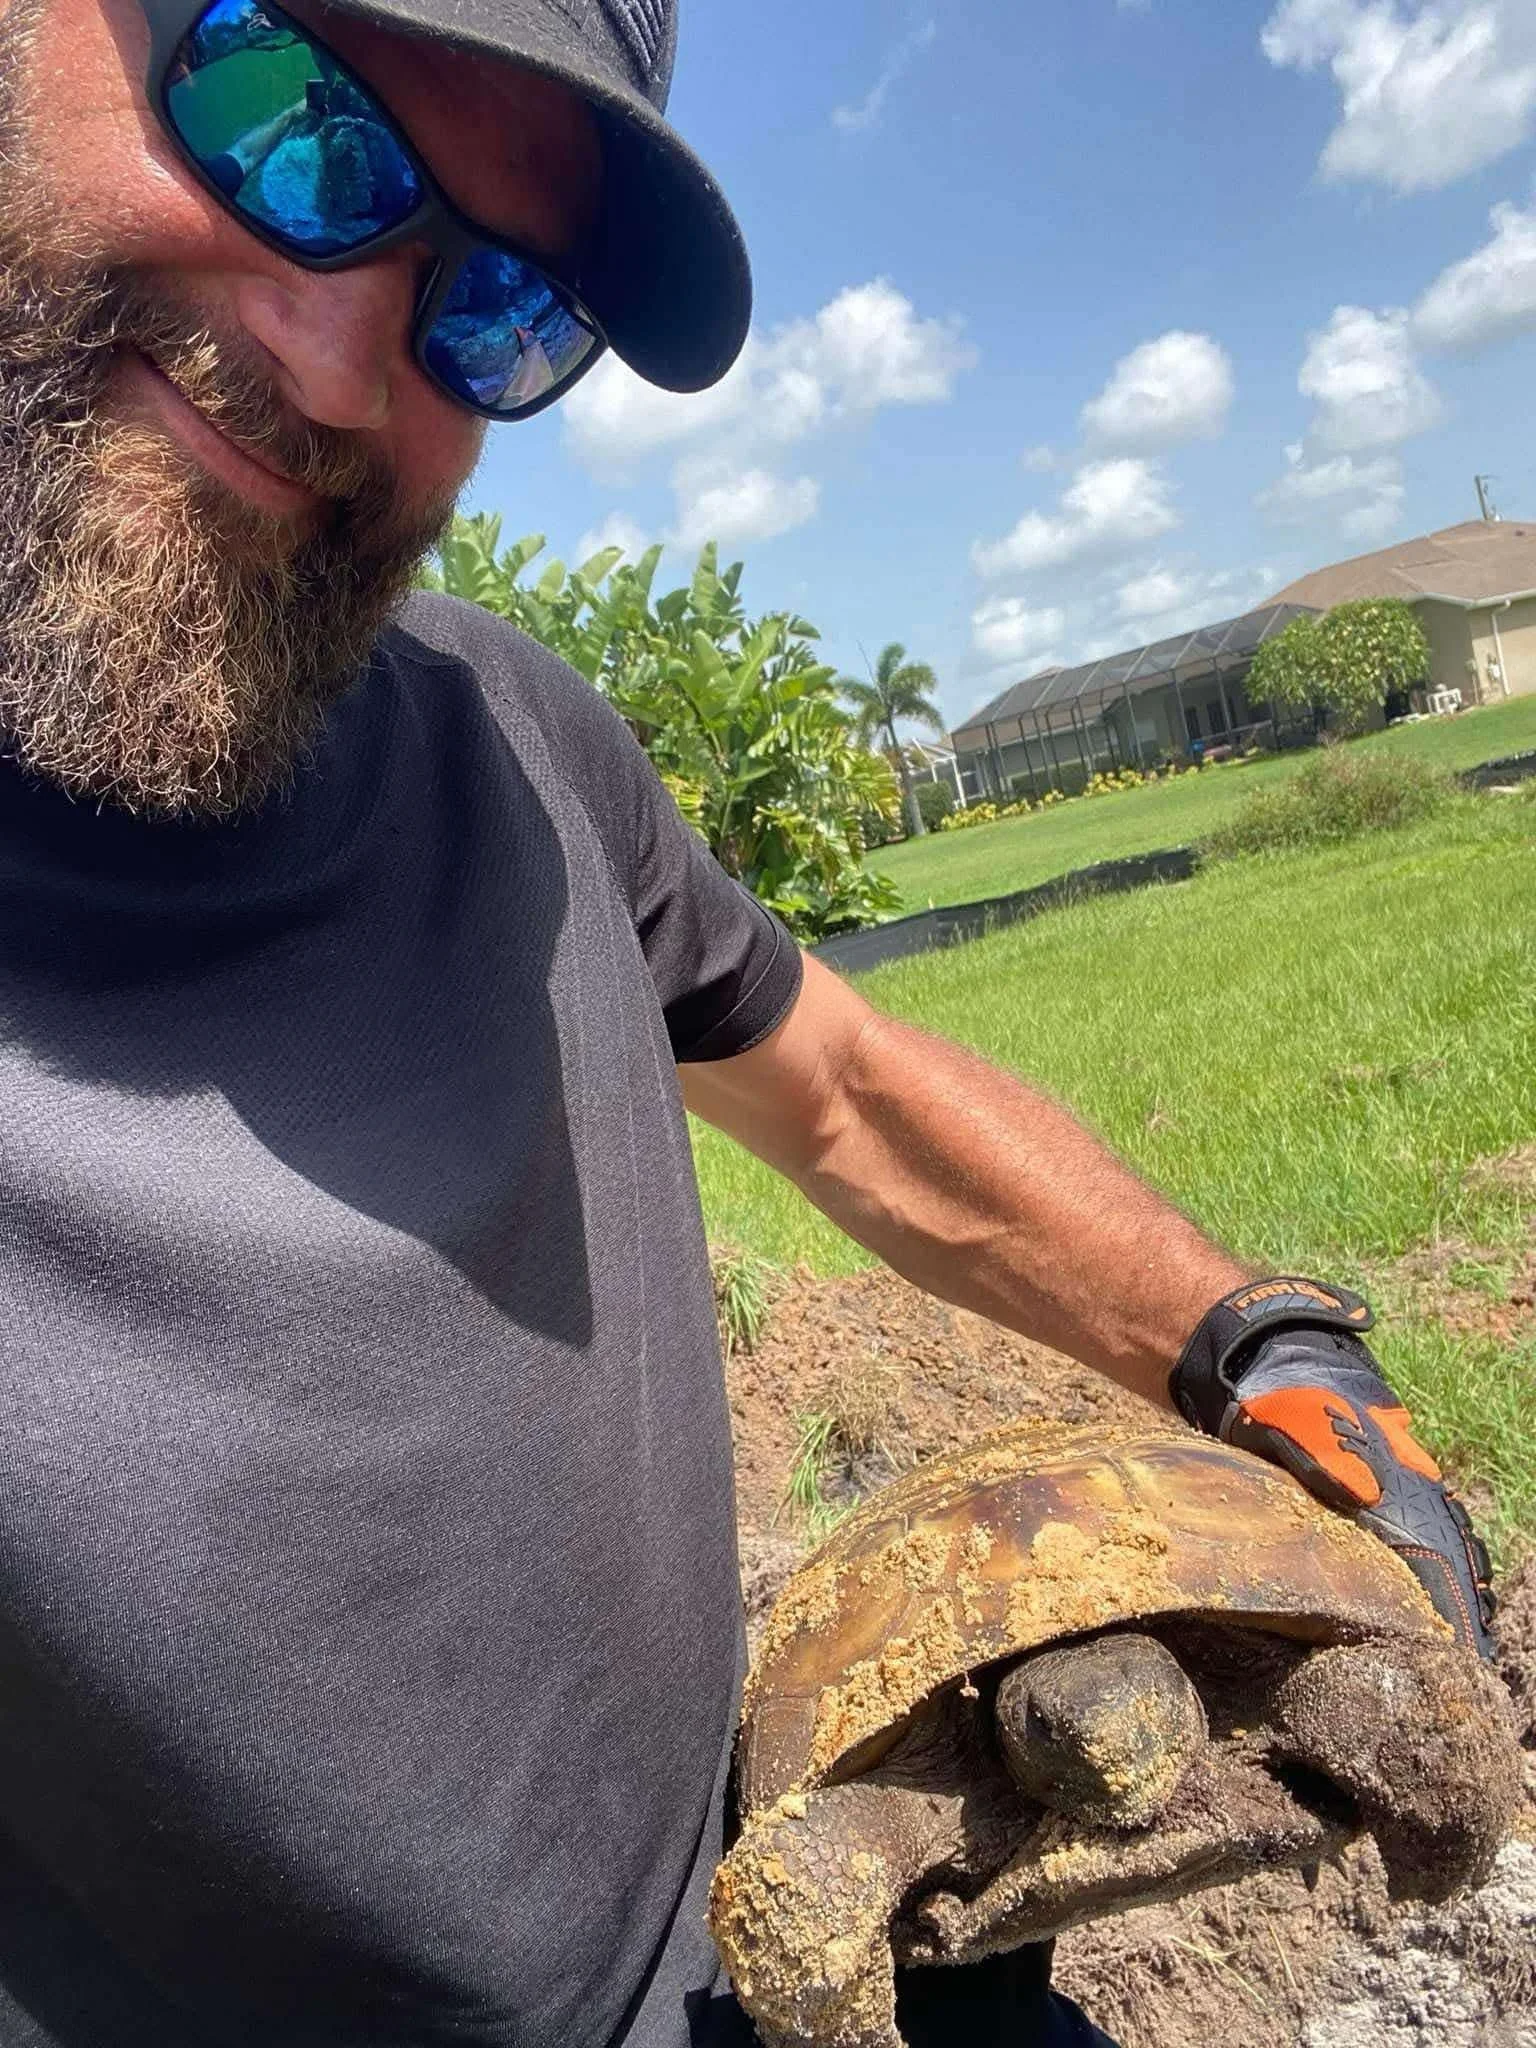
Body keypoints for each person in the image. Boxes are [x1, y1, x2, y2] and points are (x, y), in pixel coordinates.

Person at [0, 0, 1495, 2044]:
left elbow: (855, 1095)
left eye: (496, 307)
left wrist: (1263, 1342)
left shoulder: (516, 744)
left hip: (807, 1900)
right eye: (289, 122)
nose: (346, 354)